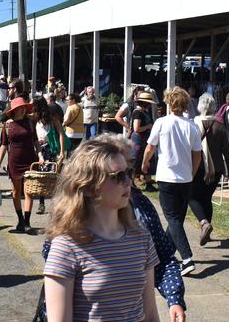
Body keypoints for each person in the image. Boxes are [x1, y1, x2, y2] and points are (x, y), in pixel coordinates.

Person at [44, 136, 161, 322]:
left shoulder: (141, 238)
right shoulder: (66, 248)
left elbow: (151, 315)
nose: (127, 181)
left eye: (128, 173)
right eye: (117, 177)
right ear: (89, 187)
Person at [142, 86, 202, 276]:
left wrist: (144, 163)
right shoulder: (191, 126)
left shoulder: (161, 123)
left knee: (173, 219)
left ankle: (187, 258)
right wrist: (191, 173)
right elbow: (197, 155)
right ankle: (164, 254)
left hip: (167, 177)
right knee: (176, 220)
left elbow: (150, 147)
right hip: (184, 178)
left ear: (169, 103)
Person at [190, 93, 229, 246]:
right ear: (214, 108)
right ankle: (206, 231)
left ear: (199, 107)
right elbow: (227, 151)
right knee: (206, 199)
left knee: (192, 197)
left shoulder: (193, 124)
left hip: (197, 167)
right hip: (216, 170)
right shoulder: (220, 126)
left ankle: (204, 224)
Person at [0, 97, 41, 234]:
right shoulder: (7, 125)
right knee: (15, 192)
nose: (22, 109)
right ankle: (20, 220)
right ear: (14, 110)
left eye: (23, 107)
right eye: (19, 108)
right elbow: (4, 145)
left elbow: (36, 142)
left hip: (30, 161)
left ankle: (27, 222)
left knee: (29, 192)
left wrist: (41, 155)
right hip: (14, 161)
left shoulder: (30, 123)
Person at [32, 97, 65, 215]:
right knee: (41, 177)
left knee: (51, 177)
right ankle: (41, 204)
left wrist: (62, 151)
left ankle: (55, 205)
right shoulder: (35, 118)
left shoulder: (52, 117)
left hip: (49, 149)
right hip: (39, 149)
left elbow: (61, 133)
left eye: (34, 106)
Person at [131, 91, 156, 190]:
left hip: (145, 138)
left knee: (148, 158)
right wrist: (148, 126)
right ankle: (132, 183)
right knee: (136, 160)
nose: (149, 105)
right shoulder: (137, 112)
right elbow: (136, 128)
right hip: (138, 140)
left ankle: (148, 182)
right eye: (148, 103)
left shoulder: (144, 112)